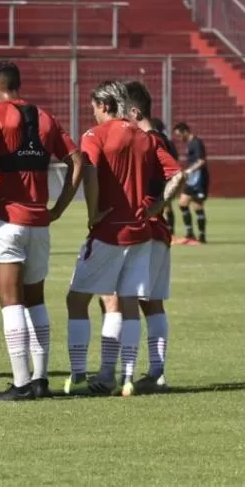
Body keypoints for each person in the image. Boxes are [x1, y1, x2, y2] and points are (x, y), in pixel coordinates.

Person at [0, 61, 82, 400]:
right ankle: (40, 378)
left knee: (10, 303)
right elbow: (77, 160)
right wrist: (59, 207)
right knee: (36, 301)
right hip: (39, 223)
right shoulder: (46, 118)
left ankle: (20, 383)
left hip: (6, 221)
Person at [64, 82, 183, 398]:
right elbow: (178, 175)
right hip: (142, 232)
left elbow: (88, 171)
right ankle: (128, 376)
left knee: (78, 299)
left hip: (110, 231)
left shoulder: (95, 135)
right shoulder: (147, 138)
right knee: (129, 302)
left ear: (104, 106)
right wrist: (156, 206)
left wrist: (92, 212)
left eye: (94, 108)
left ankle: (81, 375)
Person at [123, 82, 184, 393]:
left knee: (129, 299)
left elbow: (177, 174)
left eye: (125, 114)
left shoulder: (150, 140)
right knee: (151, 304)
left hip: (147, 230)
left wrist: (157, 206)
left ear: (134, 112)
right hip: (158, 231)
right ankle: (156, 373)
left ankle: (127, 375)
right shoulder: (161, 138)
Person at [172, 122, 208, 244]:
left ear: (185, 132)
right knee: (182, 204)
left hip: (199, 179)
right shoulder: (189, 143)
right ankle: (190, 233)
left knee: (197, 206)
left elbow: (201, 161)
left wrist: (189, 170)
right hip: (191, 179)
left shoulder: (196, 142)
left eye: (179, 135)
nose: (179, 138)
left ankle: (202, 236)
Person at [150, 118, 178, 234]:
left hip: (159, 177)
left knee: (159, 205)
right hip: (166, 177)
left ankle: (166, 230)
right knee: (166, 205)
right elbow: (175, 159)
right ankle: (170, 230)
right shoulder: (168, 142)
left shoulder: (154, 140)